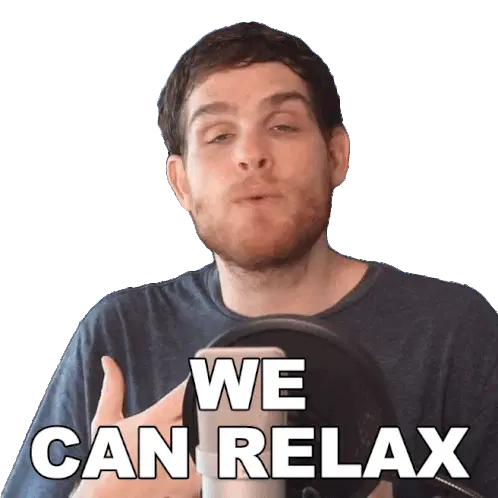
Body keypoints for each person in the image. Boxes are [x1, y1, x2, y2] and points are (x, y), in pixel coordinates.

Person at [2, 21, 497, 498]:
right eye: (219, 135)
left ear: (337, 156)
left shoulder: (453, 331)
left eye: (282, 125)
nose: (251, 155)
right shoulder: (119, 334)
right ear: (180, 183)